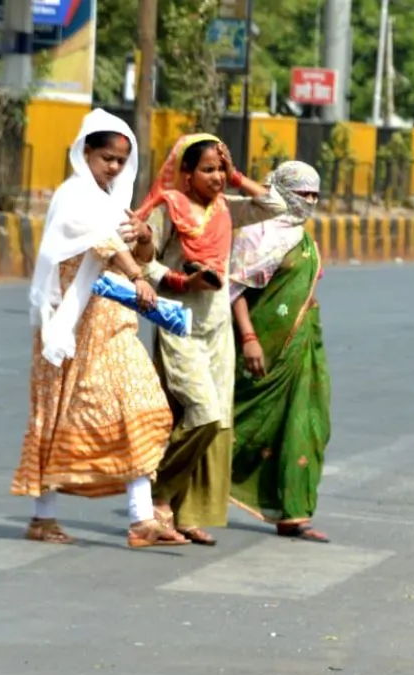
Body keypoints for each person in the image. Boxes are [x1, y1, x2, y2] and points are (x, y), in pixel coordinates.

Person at [11, 108, 187, 548]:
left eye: (121, 161)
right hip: (73, 323)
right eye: (107, 157)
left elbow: (136, 250)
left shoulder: (112, 203)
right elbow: (102, 244)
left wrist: (144, 236)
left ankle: (142, 518)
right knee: (58, 412)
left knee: (140, 405)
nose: (114, 167)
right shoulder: (73, 197)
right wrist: (138, 275)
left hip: (114, 325)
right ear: (85, 153)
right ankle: (43, 517)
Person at [134, 133, 287, 546]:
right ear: (185, 173)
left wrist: (237, 175)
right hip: (178, 321)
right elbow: (140, 265)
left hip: (217, 328)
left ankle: (186, 514)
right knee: (201, 412)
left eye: (220, 169)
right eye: (208, 170)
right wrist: (185, 279)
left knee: (218, 422)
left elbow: (277, 205)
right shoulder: (169, 209)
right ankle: (158, 498)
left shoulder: (226, 209)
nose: (216, 177)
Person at [227, 161, 332, 542]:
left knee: (307, 424)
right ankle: (180, 484)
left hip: (303, 346)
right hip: (263, 345)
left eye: (315, 195)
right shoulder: (257, 234)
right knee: (239, 421)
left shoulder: (302, 235)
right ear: (283, 192)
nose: (309, 202)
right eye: (302, 194)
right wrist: (250, 337)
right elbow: (235, 287)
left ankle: (293, 512)